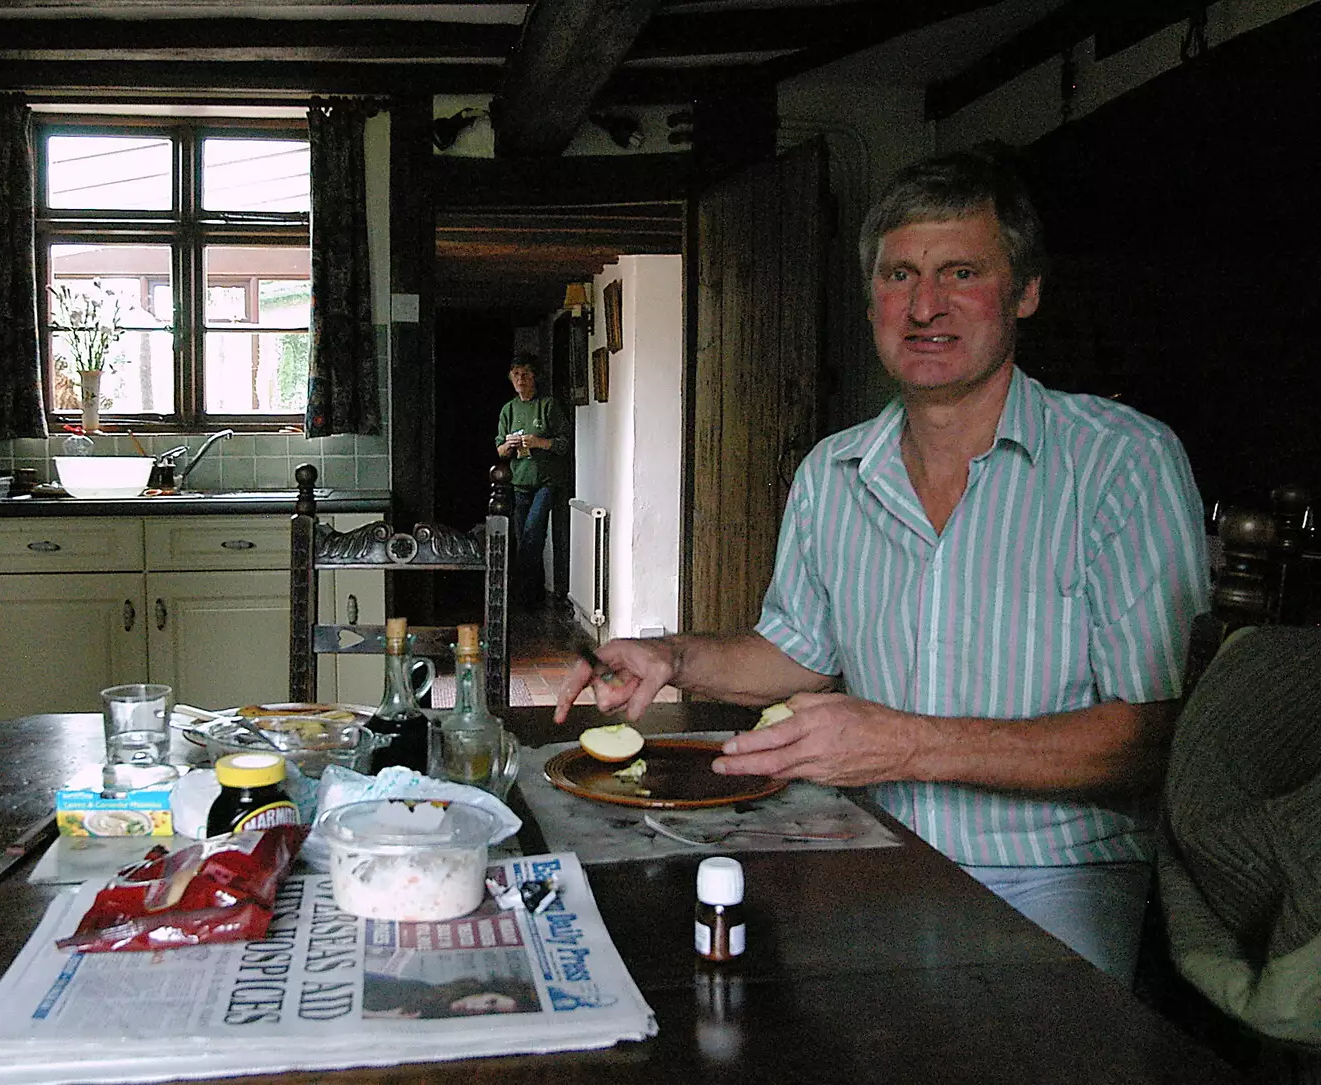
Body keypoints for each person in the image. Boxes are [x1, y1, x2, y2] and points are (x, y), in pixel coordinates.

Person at [554, 147, 1211, 983]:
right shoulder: (833, 472)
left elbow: (1151, 739)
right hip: (857, 845)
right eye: (900, 276)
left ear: (1026, 291)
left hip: (1051, 876)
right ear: (872, 304)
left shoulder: (1122, 464)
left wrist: (903, 745)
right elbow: (794, 649)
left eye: (961, 271)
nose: (925, 305)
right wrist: (670, 655)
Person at [496, 355, 571, 608]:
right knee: (523, 537)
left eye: (525, 374)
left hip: (546, 482)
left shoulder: (547, 406)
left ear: (535, 377)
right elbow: (500, 450)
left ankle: (523, 595)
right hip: (519, 482)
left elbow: (564, 443)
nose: (521, 379)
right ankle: (532, 594)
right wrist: (510, 444)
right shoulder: (508, 409)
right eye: (516, 375)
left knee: (532, 534)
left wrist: (539, 442)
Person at [361, 974, 540, 1019]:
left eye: (490, 1012)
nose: (478, 1007)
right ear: (484, 991)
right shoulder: (416, 990)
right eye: (490, 1001)